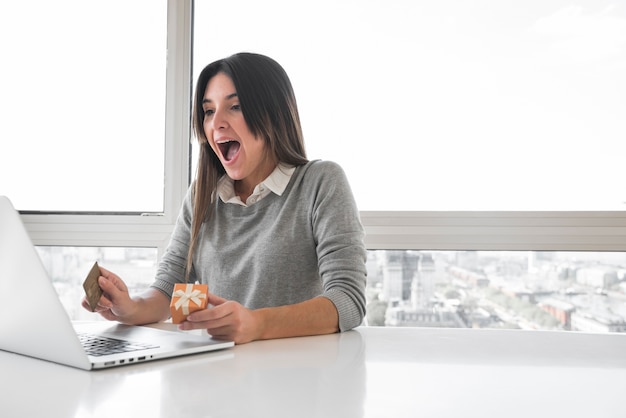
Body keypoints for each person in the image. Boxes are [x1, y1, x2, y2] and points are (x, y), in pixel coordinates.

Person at [82, 52, 367, 344]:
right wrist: (131, 307)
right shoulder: (202, 196)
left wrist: (257, 324)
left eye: (235, 106)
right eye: (208, 111)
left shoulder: (320, 182)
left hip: (294, 379)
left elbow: (347, 300)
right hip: (216, 375)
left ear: (273, 112)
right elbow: (172, 292)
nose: (216, 123)